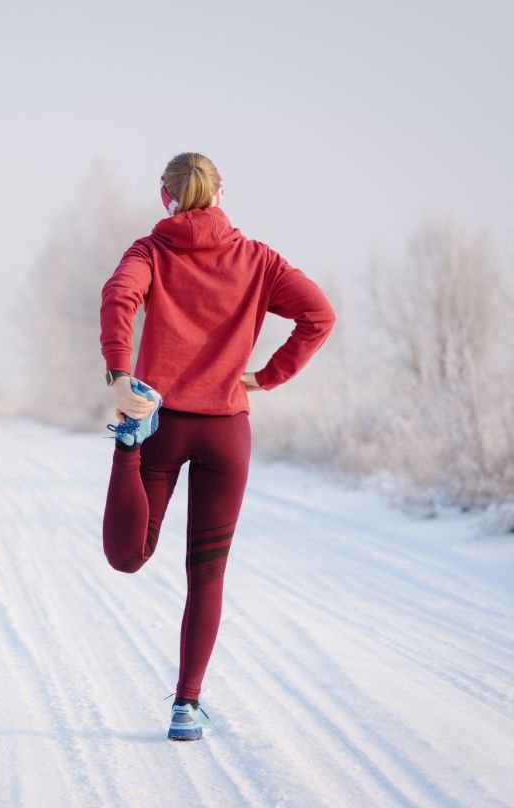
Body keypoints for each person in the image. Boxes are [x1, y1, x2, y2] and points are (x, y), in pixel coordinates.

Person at [98, 151, 336, 741]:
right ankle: (186, 705)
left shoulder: (149, 252)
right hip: (227, 430)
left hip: (162, 422)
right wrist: (268, 375)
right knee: (207, 575)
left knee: (128, 557)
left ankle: (127, 445)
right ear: (221, 193)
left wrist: (120, 373)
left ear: (165, 197)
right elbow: (319, 314)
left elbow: (118, 297)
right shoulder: (258, 259)